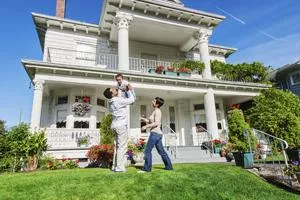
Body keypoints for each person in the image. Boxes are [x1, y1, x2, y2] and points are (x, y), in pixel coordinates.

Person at [103, 85, 135, 172]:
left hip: (115, 125)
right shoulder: (118, 100)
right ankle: (119, 168)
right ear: (112, 94)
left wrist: (124, 90)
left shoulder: (111, 102)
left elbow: (121, 95)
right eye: (112, 89)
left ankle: (115, 166)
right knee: (122, 147)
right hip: (121, 126)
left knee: (117, 147)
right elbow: (132, 100)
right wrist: (129, 91)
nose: (115, 89)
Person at [139, 97, 173, 172]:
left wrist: (146, 126)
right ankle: (169, 167)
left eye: (154, 101)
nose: (152, 101)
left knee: (147, 150)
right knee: (161, 151)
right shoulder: (155, 111)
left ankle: (147, 169)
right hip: (158, 134)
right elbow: (152, 121)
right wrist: (144, 119)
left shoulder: (157, 111)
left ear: (157, 104)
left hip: (155, 133)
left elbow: (157, 123)